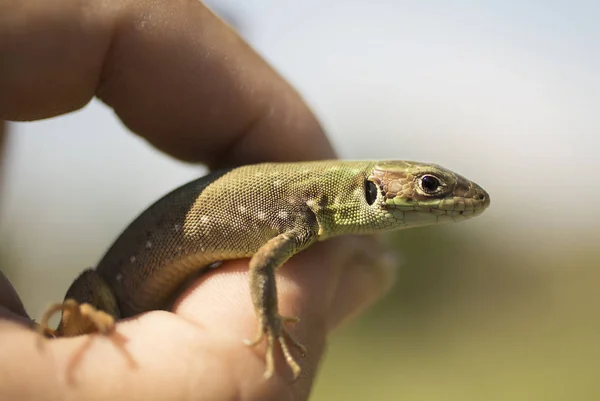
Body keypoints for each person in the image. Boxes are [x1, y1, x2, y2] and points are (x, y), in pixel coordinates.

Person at [0, 1, 393, 399]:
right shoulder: (306, 219)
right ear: (372, 189)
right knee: (92, 299)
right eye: (430, 187)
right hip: (108, 296)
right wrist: (271, 322)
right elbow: (260, 266)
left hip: (145, 300)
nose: (454, 200)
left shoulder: (312, 214)